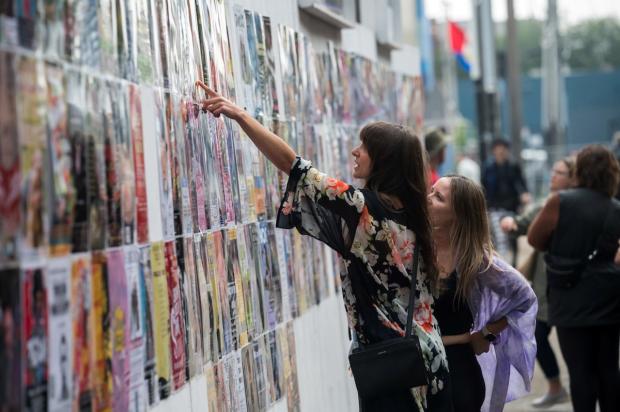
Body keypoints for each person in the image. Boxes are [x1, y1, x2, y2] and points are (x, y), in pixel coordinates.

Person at [196, 81, 451, 411]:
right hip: (431, 364)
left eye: (364, 147)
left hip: (395, 372)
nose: (355, 152)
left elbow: (294, 166)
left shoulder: (363, 210)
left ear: (384, 161)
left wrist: (240, 115)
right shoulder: (415, 216)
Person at [428, 175, 537, 412]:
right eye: (431, 191)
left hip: (459, 374)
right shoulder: (414, 247)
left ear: (458, 214)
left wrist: (485, 333)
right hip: (419, 373)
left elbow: (525, 299)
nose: (427, 199)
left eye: (438, 197)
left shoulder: (476, 261)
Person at [528, 145, 620, 412]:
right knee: (608, 370)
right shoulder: (615, 208)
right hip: (608, 299)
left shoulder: (561, 202)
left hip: (569, 298)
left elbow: (535, 239)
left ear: (579, 171)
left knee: (580, 373)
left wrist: (562, 245)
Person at [500, 157, 575, 408]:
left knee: (575, 346)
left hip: (575, 289)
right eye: (553, 170)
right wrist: (512, 224)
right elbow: (523, 223)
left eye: (560, 172)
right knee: (537, 334)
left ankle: (579, 387)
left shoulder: (578, 206)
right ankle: (556, 386)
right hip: (545, 286)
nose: (553, 175)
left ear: (574, 177)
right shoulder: (546, 205)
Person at [482, 138, 531, 265]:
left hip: (511, 206)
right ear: (494, 151)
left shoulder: (513, 166)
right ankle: (502, 263)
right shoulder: (488, 167)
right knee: (498, 237)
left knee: (512, 234)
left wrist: (524, 194)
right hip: (494, 206)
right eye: (498, 148)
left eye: (503, 148)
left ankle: (512, 264)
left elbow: (521, 182)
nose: (501, 151)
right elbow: (484, 186)